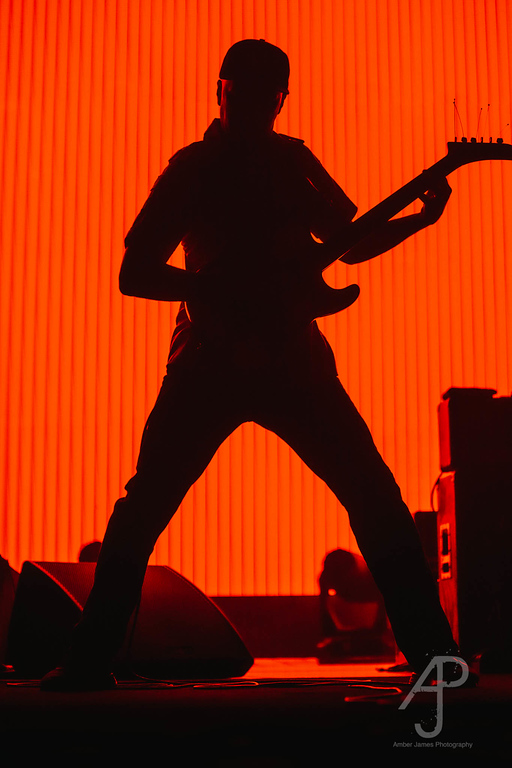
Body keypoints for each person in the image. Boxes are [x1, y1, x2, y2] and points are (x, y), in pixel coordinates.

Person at [41, 39, 466, 691]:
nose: (258, 107)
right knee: (148, 505)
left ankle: (434, 655)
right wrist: (213, 290)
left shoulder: (293, 163)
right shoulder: (193, 169)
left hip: (282, 359)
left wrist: (419, 220)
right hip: (218, 360)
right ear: (222, 91)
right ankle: (89, 658)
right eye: (248, 93)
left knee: (371, 495)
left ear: (279, 99)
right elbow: (134, 273)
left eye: (269, 96)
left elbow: (348, 244)